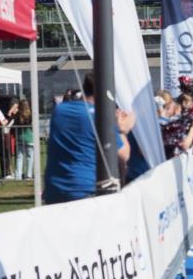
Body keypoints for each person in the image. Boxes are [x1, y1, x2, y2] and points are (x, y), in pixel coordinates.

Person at [43, 73, 135, 204]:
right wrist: (121, 130)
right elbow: (124, 155)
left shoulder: (59, 110)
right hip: (85, 190)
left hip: (55, 189)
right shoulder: (99, 117)